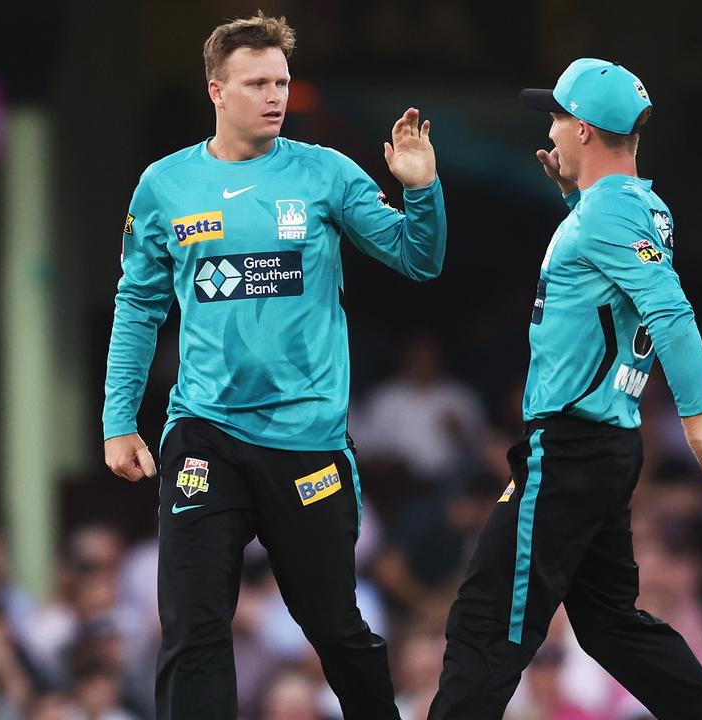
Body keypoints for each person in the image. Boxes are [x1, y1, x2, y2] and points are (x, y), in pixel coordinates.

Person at [100, 11, 445, 720]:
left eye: (282, 81)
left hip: (306, 440)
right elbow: (137, 306)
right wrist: (118, 422)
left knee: (335, 631)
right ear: (216, 91)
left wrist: (421, 188)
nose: (275, 95)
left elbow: (419, 258)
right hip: (205, 432)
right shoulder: (164, 186)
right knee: (194, 627)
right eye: (257, 82)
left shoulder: (325, 174)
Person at [427, 58, 702, 720]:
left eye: (554, 117)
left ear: (582, 129)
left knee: (485, 621)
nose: (547, 130)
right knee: (611, 627)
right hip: (600, 447)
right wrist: (575, 198)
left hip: (572, 447)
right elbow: (612, 279)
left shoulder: (610, 214)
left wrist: (697, 431)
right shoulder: (633, 206)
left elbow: (671, 313)